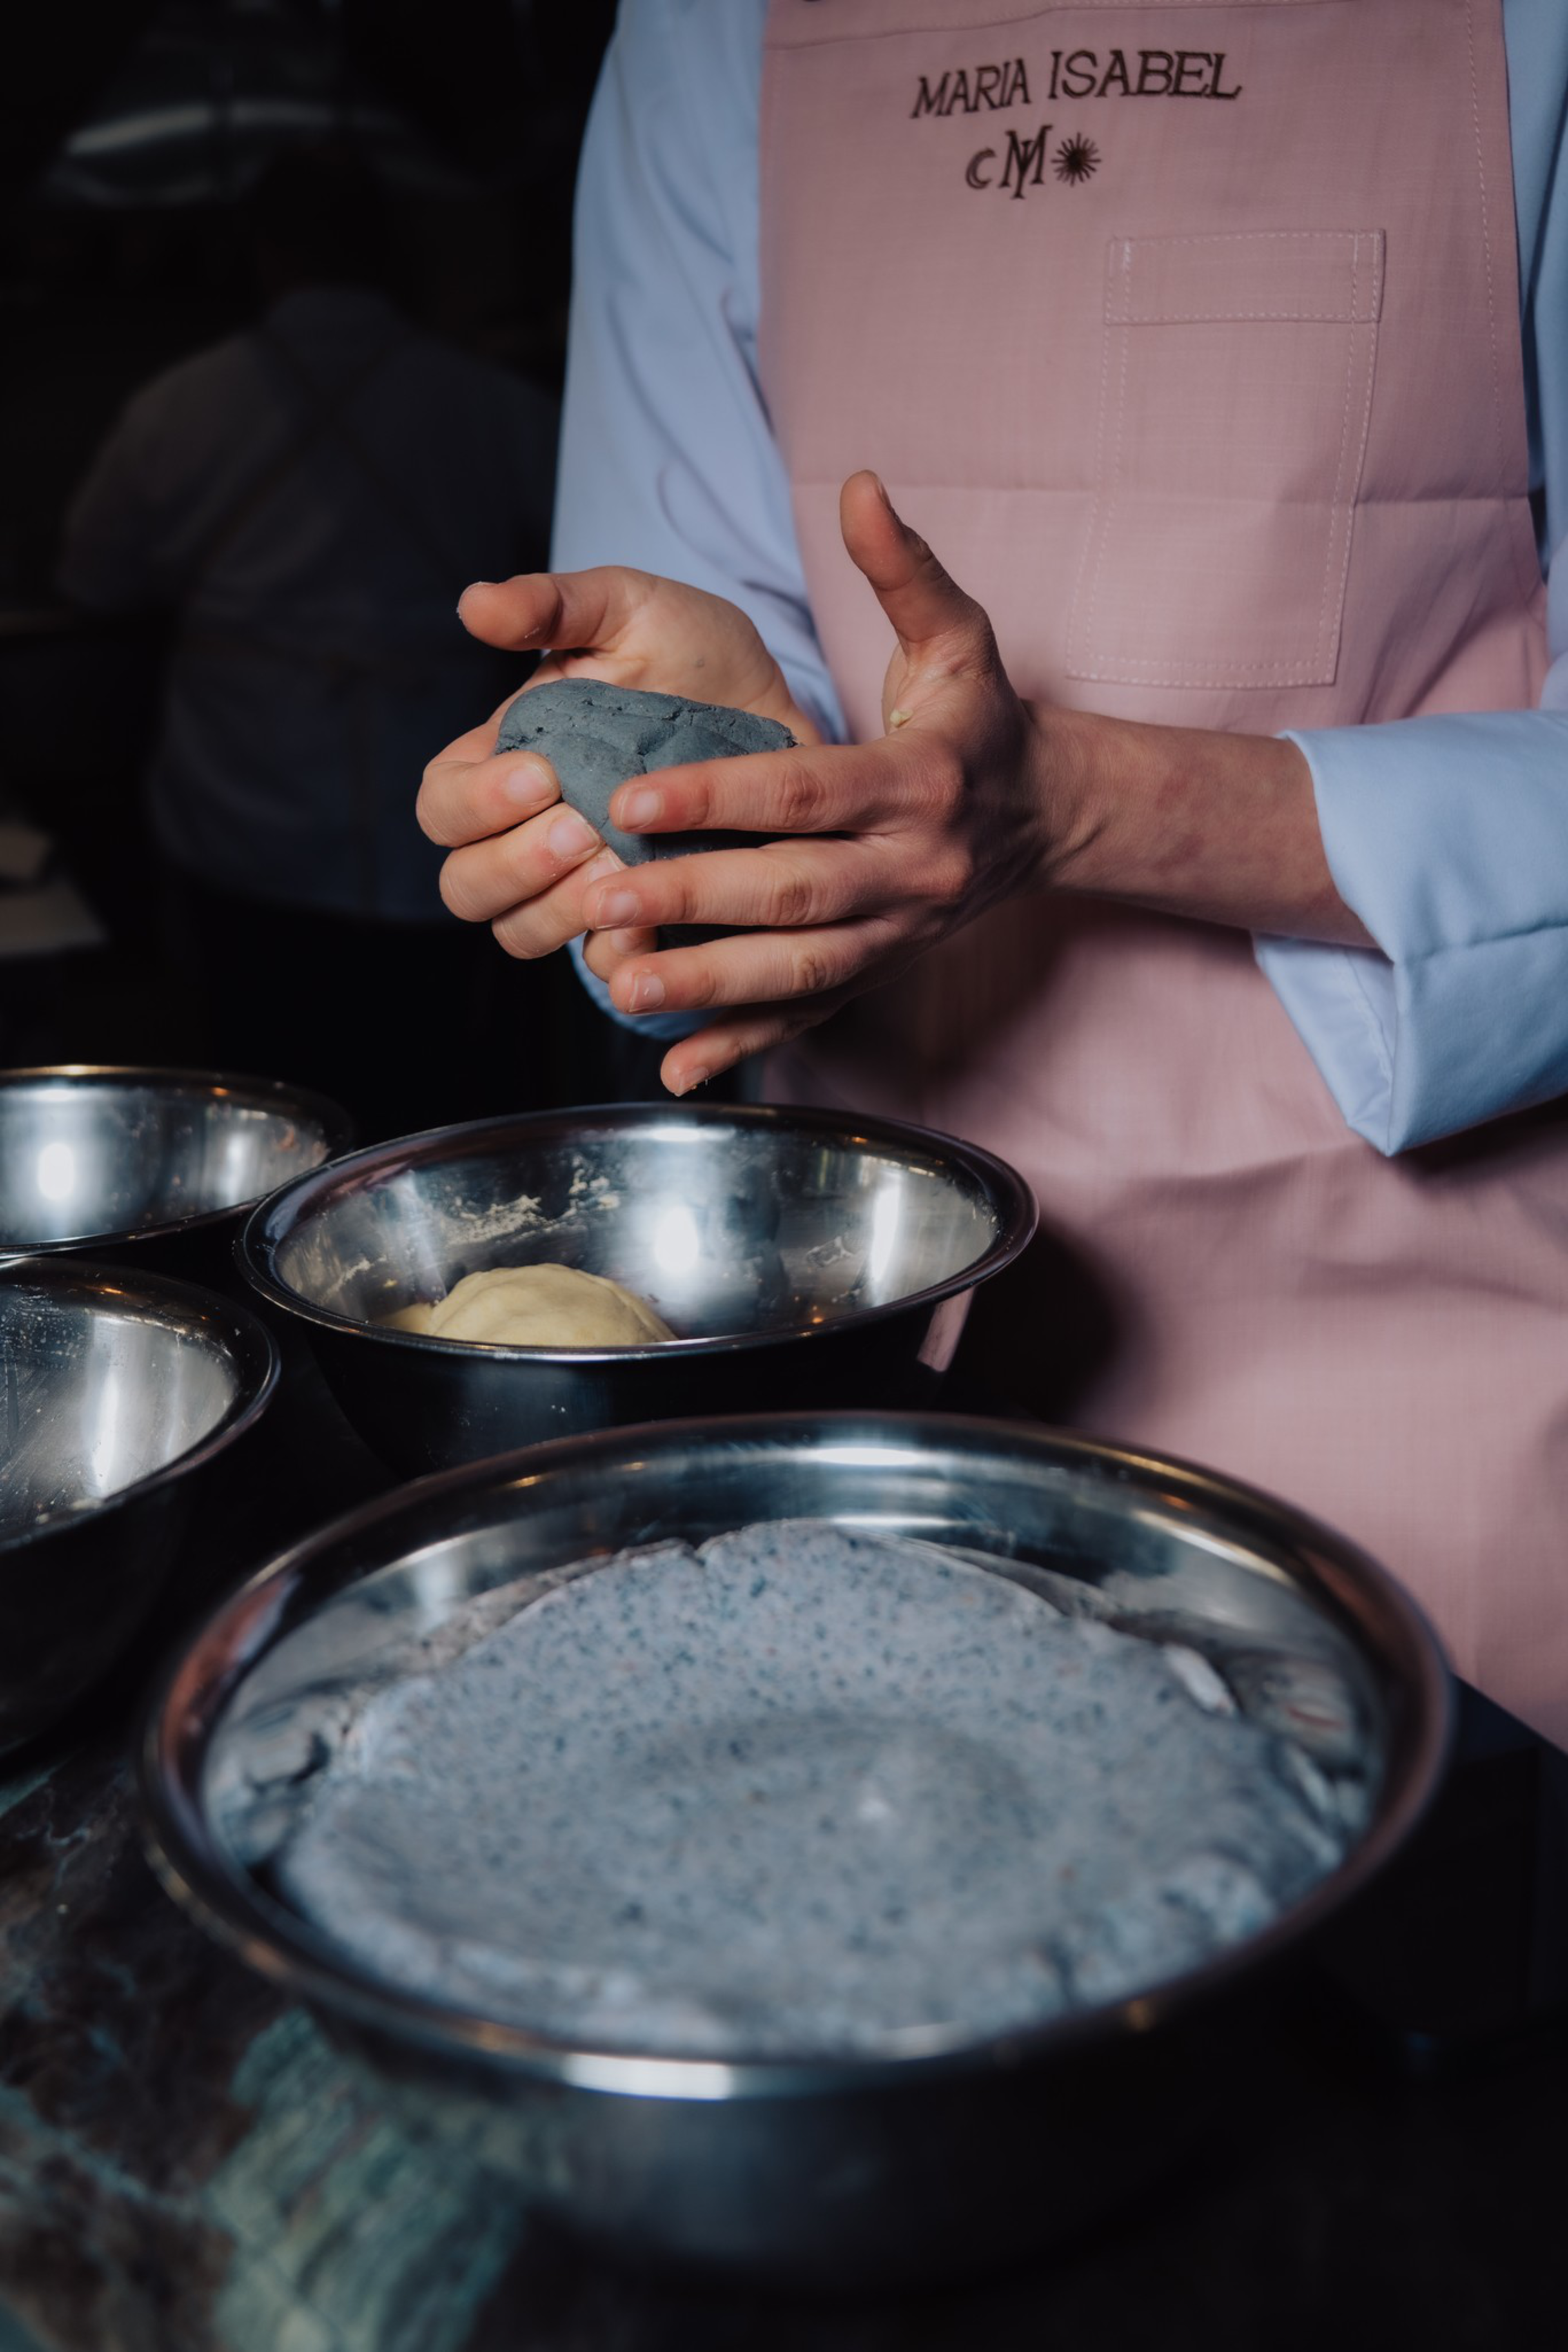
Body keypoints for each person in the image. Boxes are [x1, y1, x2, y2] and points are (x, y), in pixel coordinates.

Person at [417, 0, 1568, 1746]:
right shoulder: (706, 27)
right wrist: (694, 809)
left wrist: (1088, 802)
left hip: (1437, 1381)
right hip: (851, 1329)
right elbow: (688, 700)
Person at [58, 142, 560, 1137]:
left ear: (267, 253)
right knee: (424, 1085)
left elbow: (92, 579)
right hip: (439, 803)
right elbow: (582, 559)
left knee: (256, 1084)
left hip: (250, 814)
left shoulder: (178, 407)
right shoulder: (489, 403)